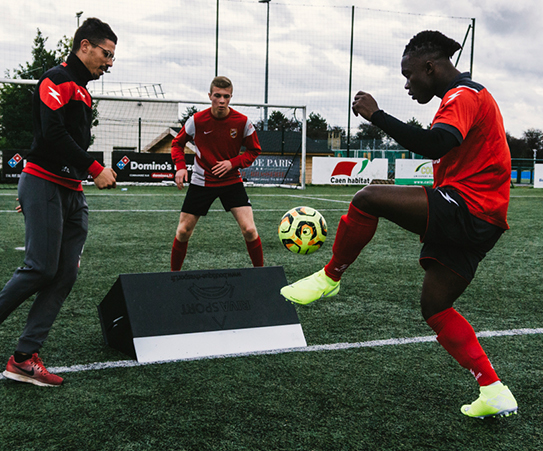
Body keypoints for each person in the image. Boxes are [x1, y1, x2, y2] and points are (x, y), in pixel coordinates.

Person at [281, 30, 517, 421]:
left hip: (469, 208)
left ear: (430, 67)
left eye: (409, 75)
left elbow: (435, 144)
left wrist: (376, 115)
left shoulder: (464, 95)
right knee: (435, 306)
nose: (407, 85)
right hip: (482, 218)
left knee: (368, 197)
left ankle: (330, 276)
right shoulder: (463, 96)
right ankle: (493, 389)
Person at [0, 18, 120, 388]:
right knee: (40, 268)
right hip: (45, 182)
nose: (109, 63)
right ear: (84, 46)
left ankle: (23, 358)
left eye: (113, 57)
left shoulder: (81, 90)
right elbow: (53, 135)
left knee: (65, 273)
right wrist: (95, 168)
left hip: (69, 191)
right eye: (106, 54)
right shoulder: (56, 80)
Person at [169, 76, 265, 272]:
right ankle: (173, 278)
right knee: (183, 232)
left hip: (231, 181)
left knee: (249, 230)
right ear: (210, 96)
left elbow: (254, 150)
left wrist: (233, 163)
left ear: (231, 97)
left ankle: (261, 274)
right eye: (217, 96)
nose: (222, 100)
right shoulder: (197, 120)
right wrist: (180, 166)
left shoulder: (242, 122)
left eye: (226, 96)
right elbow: (177, 143)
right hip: (201, 181)